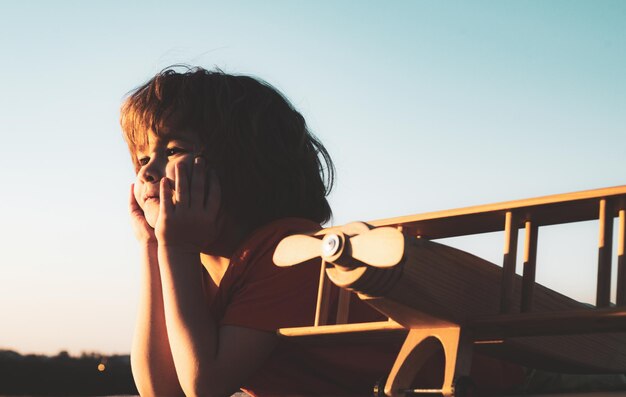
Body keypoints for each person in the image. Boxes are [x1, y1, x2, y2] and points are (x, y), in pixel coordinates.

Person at [121, 66, 523, 397]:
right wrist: (151, 247)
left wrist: (175, 247)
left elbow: (205, 385)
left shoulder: (286, 251)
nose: (146, 170)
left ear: (243, 164)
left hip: (473, 382)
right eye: (142, 156)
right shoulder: (202, 264)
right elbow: (163, 391)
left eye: (173, 150)